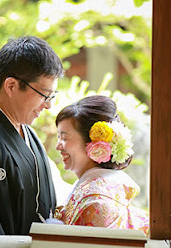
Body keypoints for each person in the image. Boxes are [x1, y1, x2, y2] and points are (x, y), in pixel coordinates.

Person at [0, 36, 69, 235]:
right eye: (44, 94)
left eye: (52, 95)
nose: (48, 104)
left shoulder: (28, 133)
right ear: (11, 86)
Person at [55, 95, 149, 235]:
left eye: (64, 138)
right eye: (58, 137)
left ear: (93, 143)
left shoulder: (96, 201)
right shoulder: (100, 187)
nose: (58, 146)